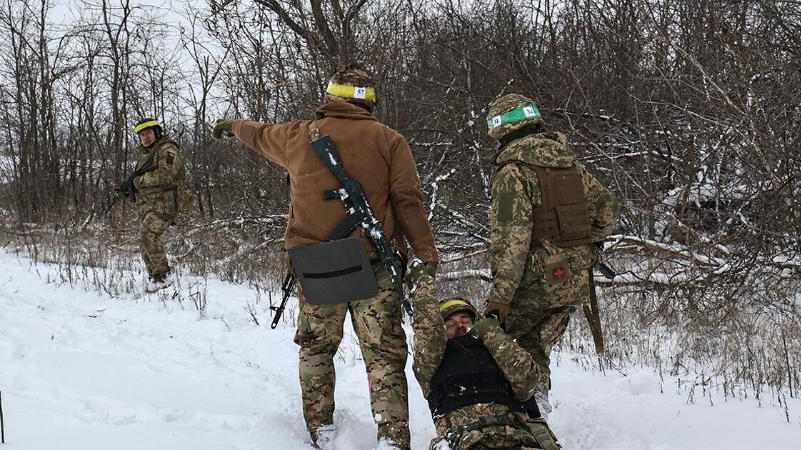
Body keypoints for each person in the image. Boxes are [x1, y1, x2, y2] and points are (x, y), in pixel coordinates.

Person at [212, 65, 439, 450]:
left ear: (331, 96)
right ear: (368, 100)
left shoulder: (296, 135)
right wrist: (425, 254)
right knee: (383, 354)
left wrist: (232, 124)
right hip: (374, 267)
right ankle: (391, 437)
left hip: (316, 269)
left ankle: (322, 431)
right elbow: (408, 202)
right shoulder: (389, 139)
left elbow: (257, 134)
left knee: (316, 349)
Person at [482, 94, 617, 413]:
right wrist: (585, 246)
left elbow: (511, 243)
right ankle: (536, 407)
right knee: (536, 346)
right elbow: (606, 210)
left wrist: (499, 300)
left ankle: (503, 415)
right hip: (573, 279)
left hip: (535, 282)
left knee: (491, 343)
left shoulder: (513, 172)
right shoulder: (570, 164)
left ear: (501, 131)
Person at [408, 270, 560, 450]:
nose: (460, 326)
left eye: (466, 320)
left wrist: (491, 332)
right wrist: (422, 279)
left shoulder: (498, 351)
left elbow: (528, 380)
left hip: (517, 437)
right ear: (440, 331)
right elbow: (428, 330)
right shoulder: (431, 363)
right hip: (463, 440)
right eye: (450, 324)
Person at [129, 117, 185, 292]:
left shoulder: (168, 150)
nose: (145, 138)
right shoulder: (146, 155)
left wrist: (138, 181)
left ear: (157, 132)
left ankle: (164, 276)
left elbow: (166, 175)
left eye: (148, 133)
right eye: (141, 135)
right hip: (151, 204)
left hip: (166, 203)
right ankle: (154, 276)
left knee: (148, 234)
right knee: (144, 238)